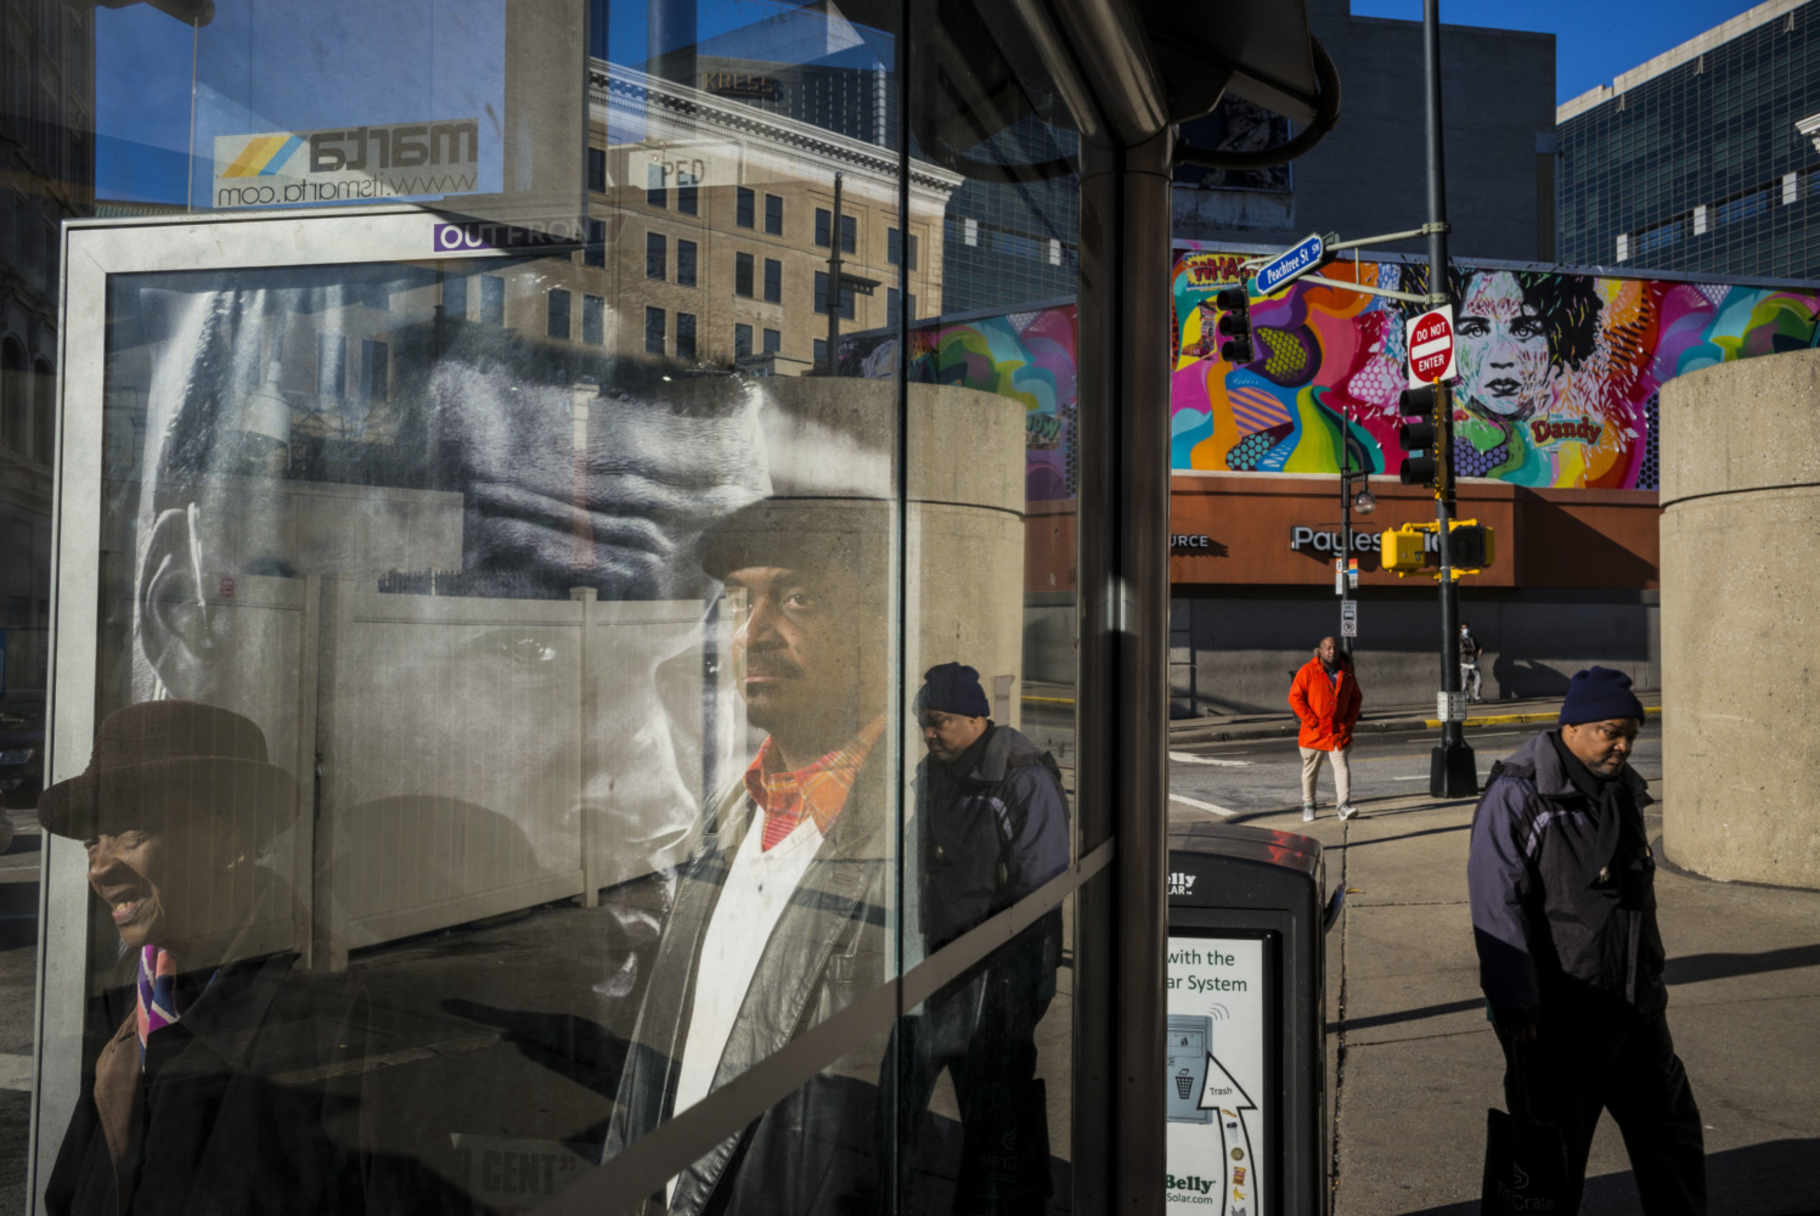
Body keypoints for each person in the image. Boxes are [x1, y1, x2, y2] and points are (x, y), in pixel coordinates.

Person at [602, 492, 894, 1215]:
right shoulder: (730, 819)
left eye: (798, 599)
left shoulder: (917, 841)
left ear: (879, 626)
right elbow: (653, 1073)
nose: (755, 634)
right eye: (739, 604)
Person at [37, 700, 375, 1216]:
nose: (100, 869)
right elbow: (71, 1190)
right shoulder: (129, 988)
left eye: (132, 834)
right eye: (91, 843)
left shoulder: (326, 1002)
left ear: (229, 838)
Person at [1467, 667, 1704, 1215]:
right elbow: (1494, 903)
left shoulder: (1622, 787)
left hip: (1635, 1008)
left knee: (1673, 1141)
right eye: (1611, 731)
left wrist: (1650, 979)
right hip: (1558, 1020)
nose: (1622, 745)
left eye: (1631, 735)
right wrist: (1514, 1001)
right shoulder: (1521, 792)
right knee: (1546, 1165)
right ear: (1572, 726)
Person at [892, 662, 1069, 1211]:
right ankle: (886, 1187)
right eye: (923, 721)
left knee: (995, 1103)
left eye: (938, 721)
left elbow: (1042, 884)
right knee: (902, 1085)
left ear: (975, 717)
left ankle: (1003, 1200)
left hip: (1002, 970)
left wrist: (1006, 981)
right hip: (938, 958)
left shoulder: (1021, 776)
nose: (928, 733)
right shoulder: (934, 771)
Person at [1288, 636, 1361, 821]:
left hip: (1337, 731)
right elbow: (1295, 698)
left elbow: (1355, 698)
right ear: (1320, 650)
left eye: (1334, 648)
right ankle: (1309, 805)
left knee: (1342, 767)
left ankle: (1343, 805)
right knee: (1310, 770)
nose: (1332, 651)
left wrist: (1349, 723)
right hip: (1314, 732)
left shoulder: (1347, 673)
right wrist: (1311, 721)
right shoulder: (1308, 671)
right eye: (1328, 648)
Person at [1460, 622, 1484, 703]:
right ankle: (1466, 698)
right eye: (1463, 628)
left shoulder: (1472, 637)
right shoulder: (1459, 638)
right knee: (1465, 681)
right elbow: (1462, 650)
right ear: (1461, 629)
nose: (1465, 630)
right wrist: (1473, 650)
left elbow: (1479, 646)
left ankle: (1477, 697)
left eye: (1466, 628)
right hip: (1465, 662)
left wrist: (1479, 652)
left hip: (1474, 661)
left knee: (1478, 679)